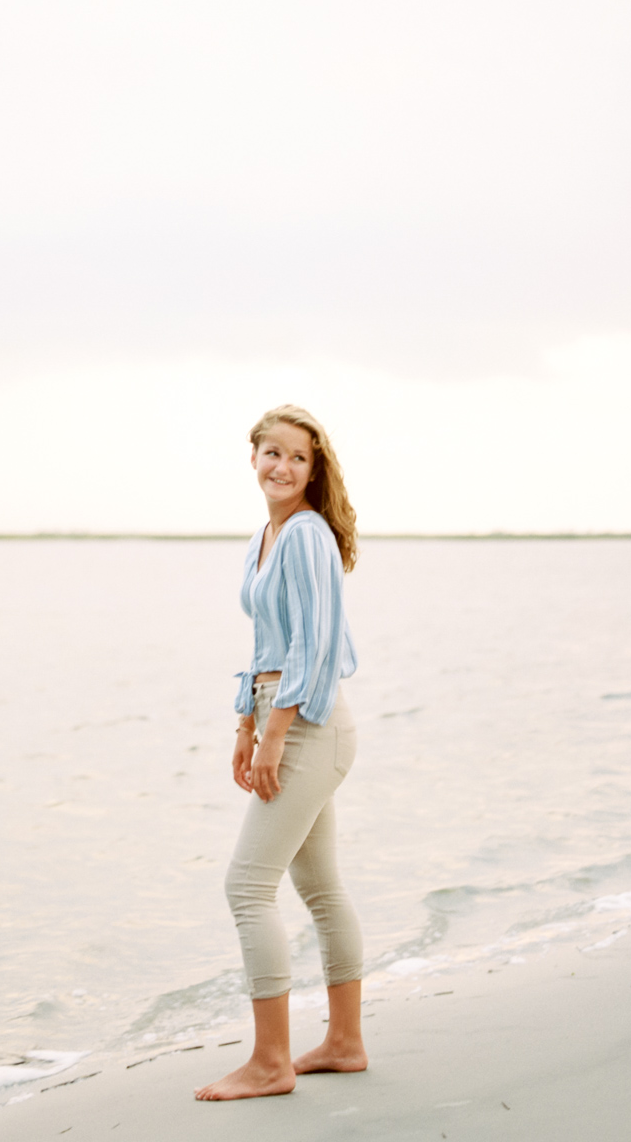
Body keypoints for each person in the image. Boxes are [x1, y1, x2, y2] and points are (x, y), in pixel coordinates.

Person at [195, 404, 365, 1102]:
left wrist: (272, 734)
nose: (281, 466)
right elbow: (268, 642)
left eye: (297, 457)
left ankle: (271, 1062)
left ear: (312, 469)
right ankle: (345, 1044)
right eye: (271, 452)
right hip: (279, 716)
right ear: (253, 456)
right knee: (320, 889)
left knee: (246, 887)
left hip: (308, 727)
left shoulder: (305, 537)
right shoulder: (264, 536)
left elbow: (313, 646)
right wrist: (244, 722)